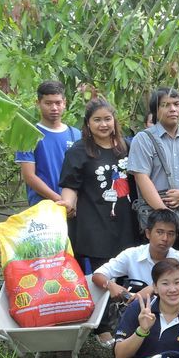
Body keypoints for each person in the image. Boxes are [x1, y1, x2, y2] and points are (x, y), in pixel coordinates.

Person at [58, 97, 136, 275]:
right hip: (96, 227)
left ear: (114, 121)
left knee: (128, 277)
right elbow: (70, 185)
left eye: (107, 119)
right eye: (97, 120)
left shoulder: (127, 147)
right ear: (88, 123)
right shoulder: (78, 151)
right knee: (101, 278)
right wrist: (67, 204)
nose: (103, 124)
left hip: (127, 225)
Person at [127, 87, 179, 252]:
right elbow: (141, 177)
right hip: (155, 213)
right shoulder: (143, 139)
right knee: (158, 260)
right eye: (166, 105)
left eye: (176, 104)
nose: (173, 109)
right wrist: (164, 212)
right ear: (156, 111)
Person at [91, 209, 179, 304]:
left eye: (170, 234)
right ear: (148, 233)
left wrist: (152, 288)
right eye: (160, 232)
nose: (165, 238)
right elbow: (97, 275)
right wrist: (110, 284)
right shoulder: (131, 255)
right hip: (136, 309)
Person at [16, 80, 81, 205]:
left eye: (58, 103)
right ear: (38, 103)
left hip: (74, 207)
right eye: (48, 103)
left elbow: (81, 173)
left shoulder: (76, 134)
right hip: (43, 208)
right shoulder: (28, 135)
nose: (54, 108)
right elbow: (29, 176)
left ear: (64, 103)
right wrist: (59, 200)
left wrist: (72, 202)